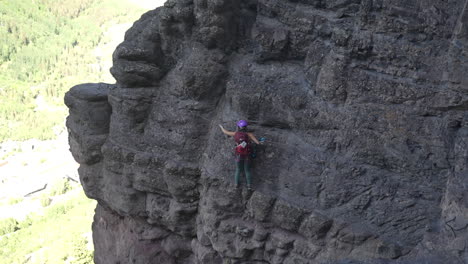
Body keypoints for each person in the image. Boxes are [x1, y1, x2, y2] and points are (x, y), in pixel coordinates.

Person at [219, 120, 262, 190]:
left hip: (238, 155)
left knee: (238, 169)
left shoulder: (235, 134)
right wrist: (260, 141)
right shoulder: (249, 135)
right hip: (247, 155)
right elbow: (258, 143)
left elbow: (225, 132)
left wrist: (221, 127)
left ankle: (236, 184)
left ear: (238, 127)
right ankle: (249, 186)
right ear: (246, 127)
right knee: (247, 170)